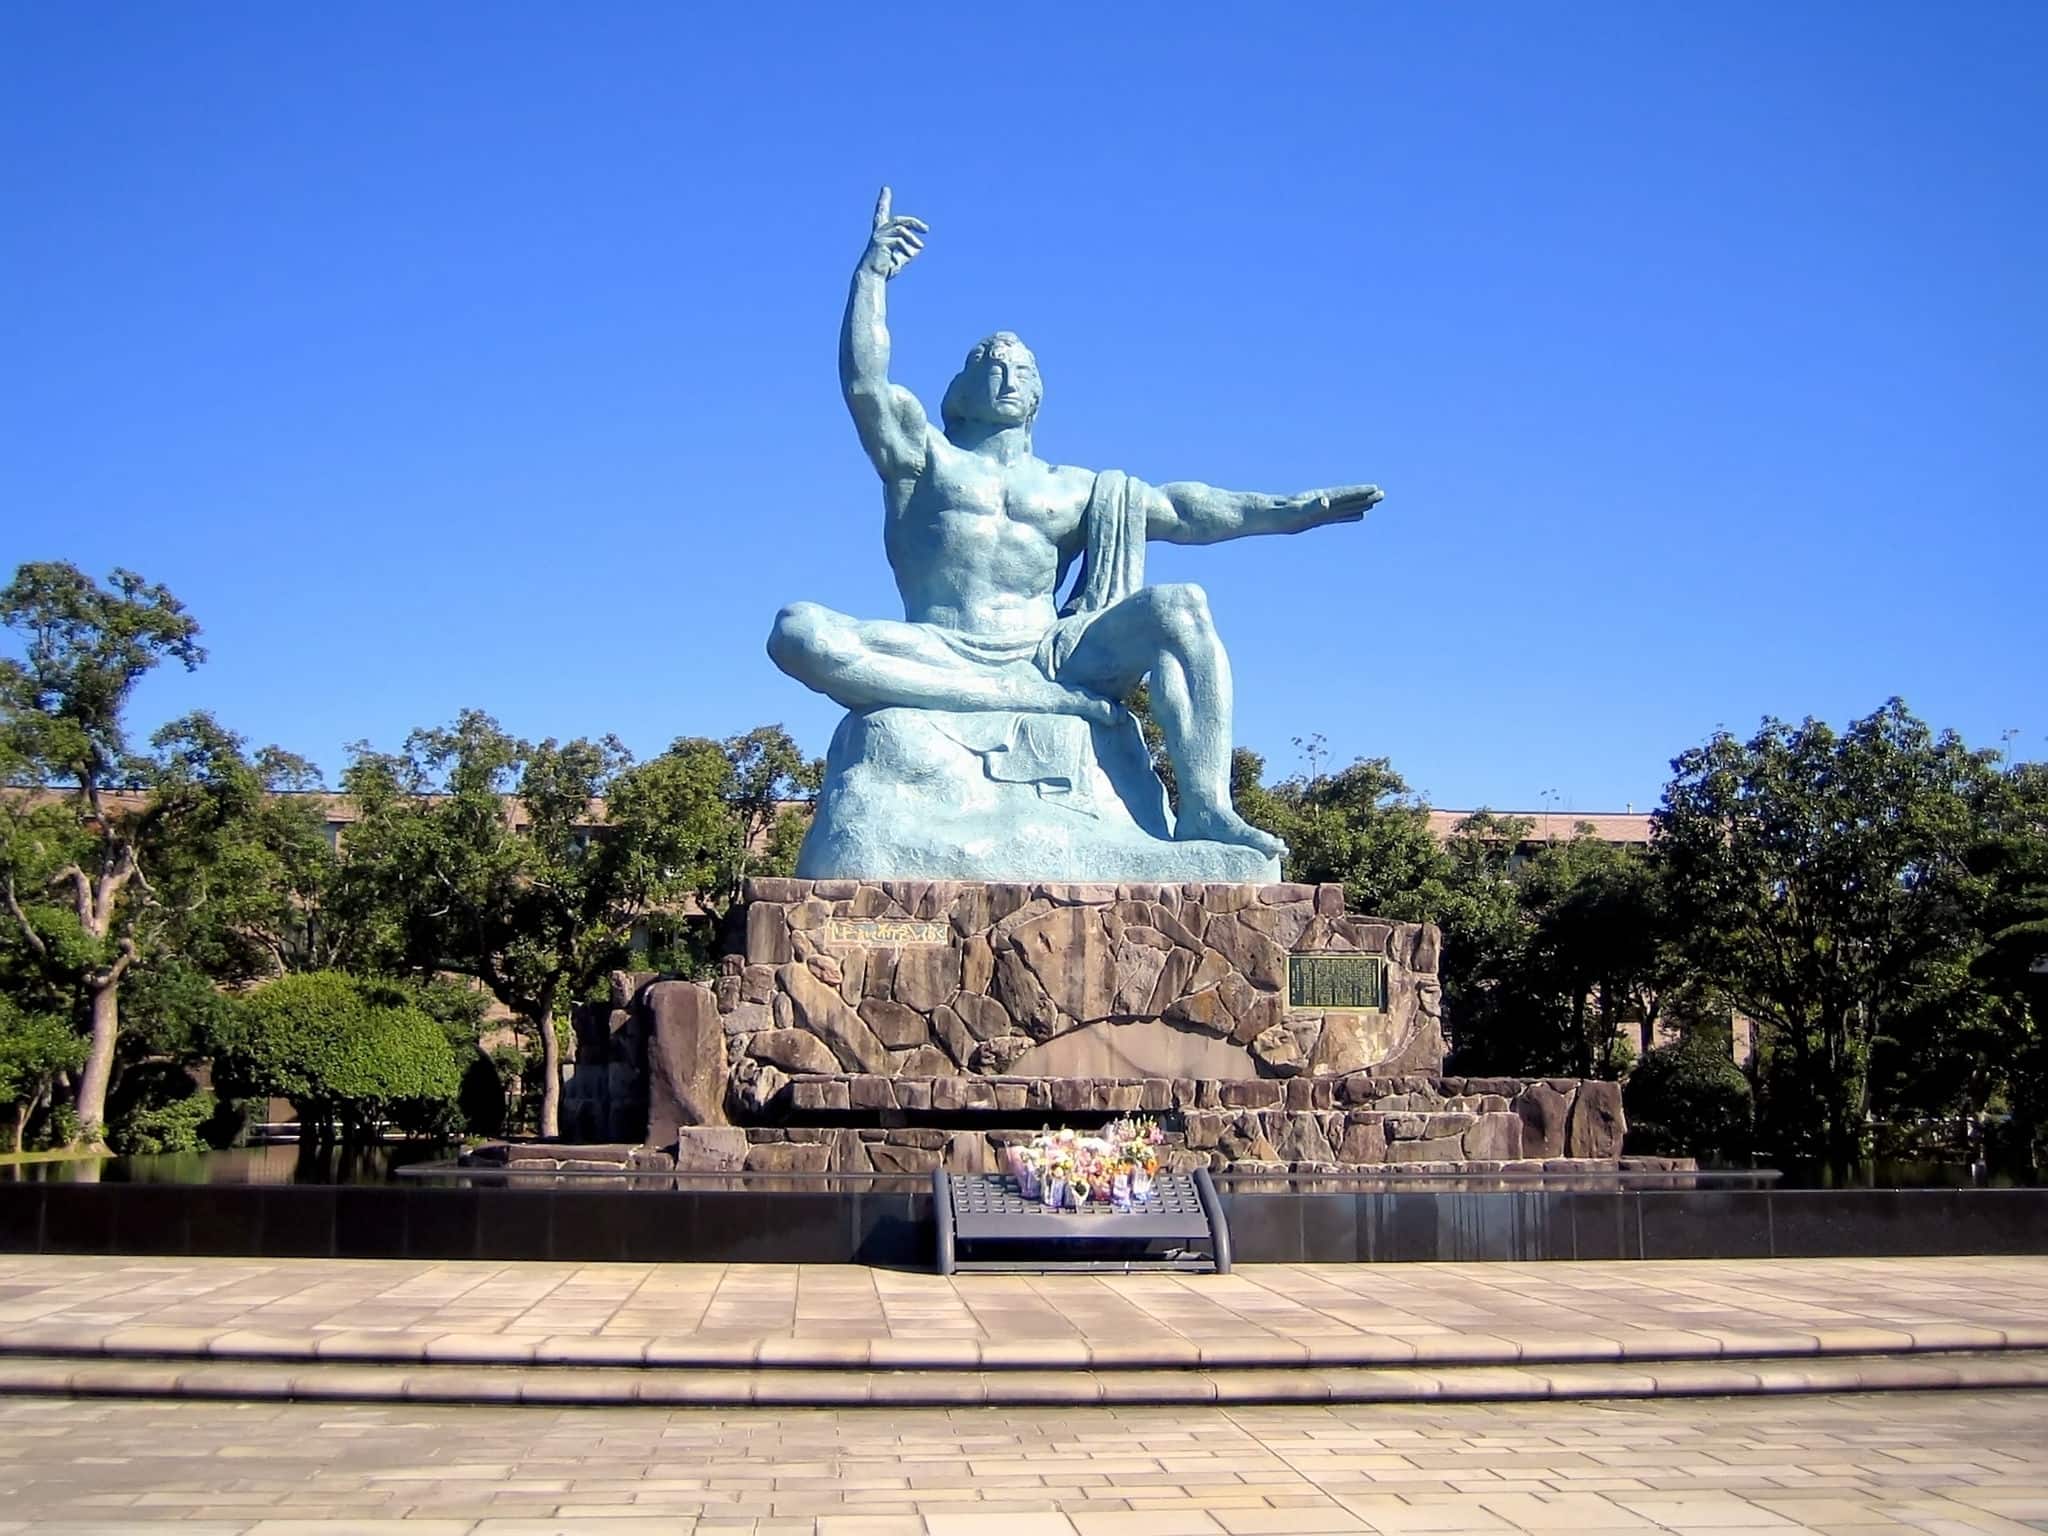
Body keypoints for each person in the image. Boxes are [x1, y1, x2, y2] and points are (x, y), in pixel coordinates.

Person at [768, 189, 1381, 857]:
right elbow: (866, 383)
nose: (1007, 377)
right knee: (798, 632)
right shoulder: (923, 458)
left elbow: (1189, 510)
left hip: (1049, 653)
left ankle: (1206, 808)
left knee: (1182, 605)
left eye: (1022, 370)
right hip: (940, 646)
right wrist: (871, 278)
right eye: (990, 367)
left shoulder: (1078, 489)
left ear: (1039, 394)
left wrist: (1297, 512)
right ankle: (1011, 696)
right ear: (962, 390)